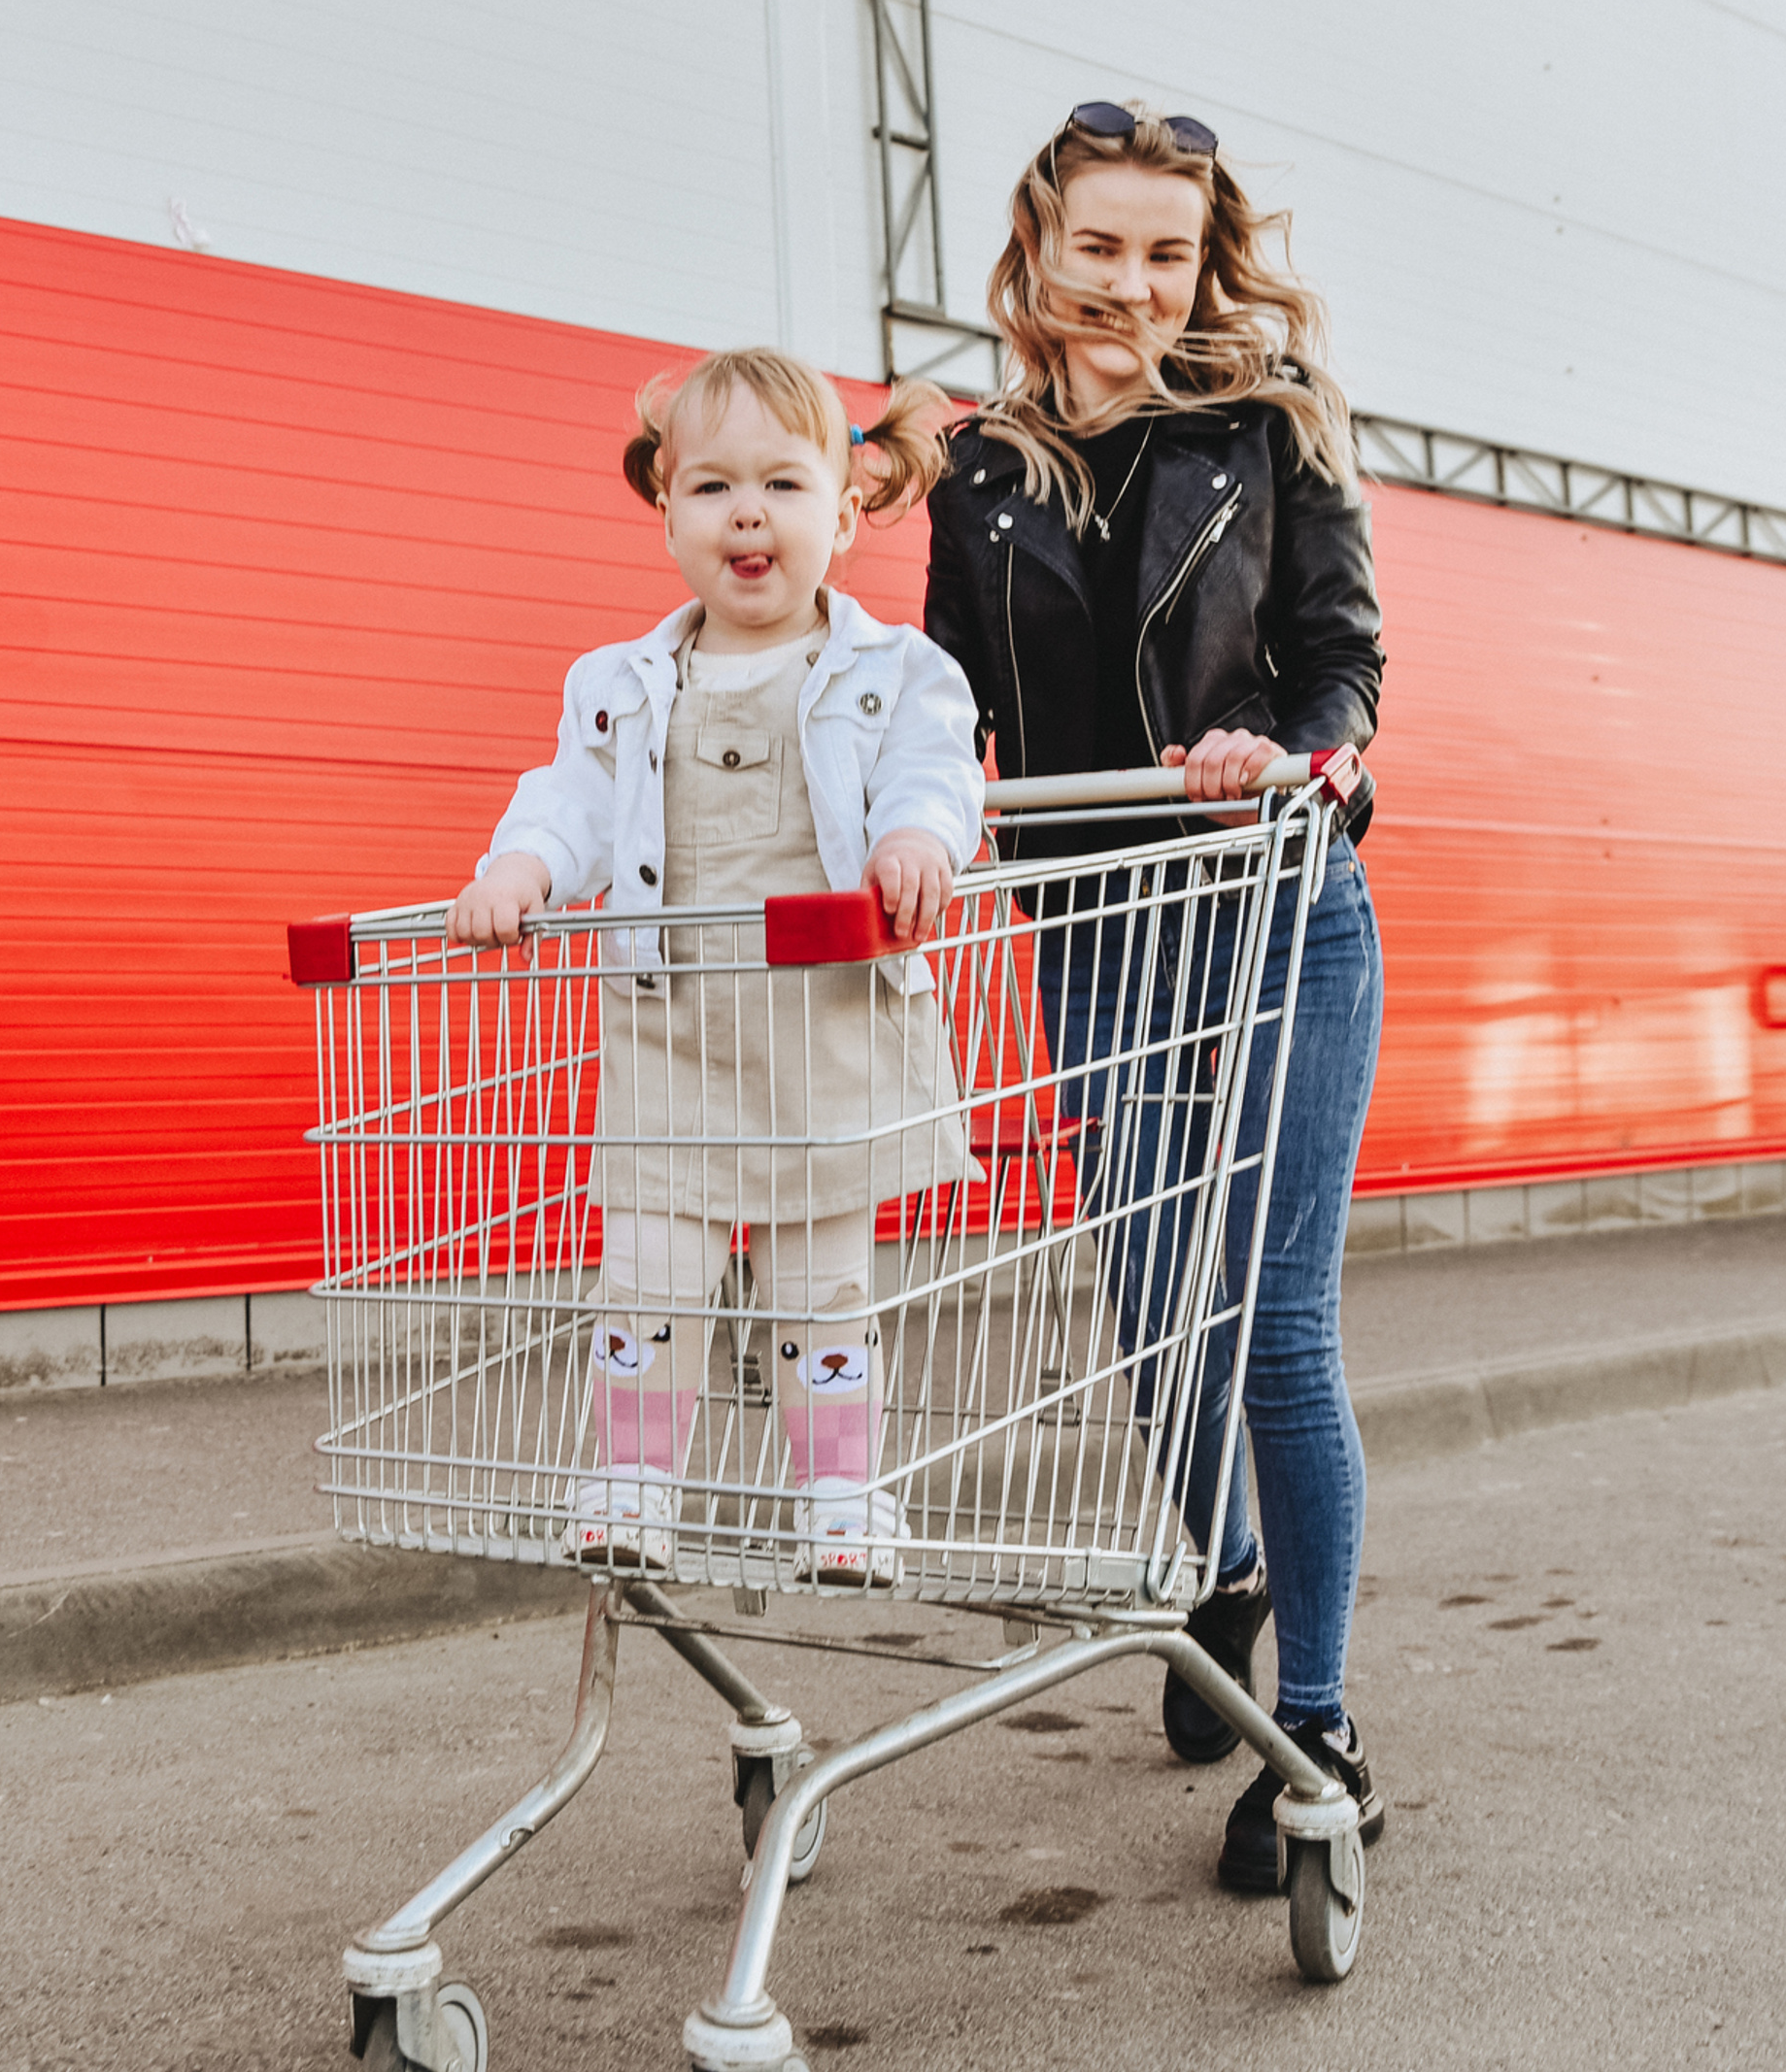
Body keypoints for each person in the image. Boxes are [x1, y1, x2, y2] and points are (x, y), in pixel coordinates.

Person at [922, 101, 1388, 1890]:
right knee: (1150, 1314)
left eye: (1167, 252)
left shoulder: (1271, 430)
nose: (1131, 282)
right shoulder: (980, 468)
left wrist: (1295, 751)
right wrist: (915, 785)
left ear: (1207, 266)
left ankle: (1322, 1732)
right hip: (1098, 927)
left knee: (1274, 1319)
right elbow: (947, 696)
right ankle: (1229, 1565)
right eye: (1098, 245)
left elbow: (1343, 662)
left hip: (1273, 904)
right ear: (1041, 247)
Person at [449, 349, 983, 1587]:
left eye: (784, 484)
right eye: (712, 487)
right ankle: (632, 1483)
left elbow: (936, 768)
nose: (748, 512)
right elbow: (571, 798)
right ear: (667, 510)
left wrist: (916, 837)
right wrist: (521, 870)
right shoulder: (622, 684)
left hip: (826, 1025)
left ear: (845, 515)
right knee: (648, 1277)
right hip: (673, 1029)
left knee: (820, 1291)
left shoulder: (890, 669)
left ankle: (840, 1496)